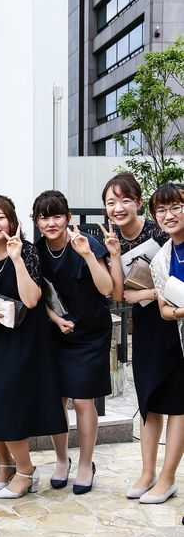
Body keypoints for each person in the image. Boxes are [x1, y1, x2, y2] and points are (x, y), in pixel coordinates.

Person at [0, 195, 67, 498]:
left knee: (6, 401)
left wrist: (16, 259)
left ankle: (26, 471)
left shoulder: (28, 251)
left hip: (26, 338)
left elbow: (32, 299)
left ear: (12, 220)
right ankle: (6, 464)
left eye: (0, 217)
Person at [100, 174, 184, 502]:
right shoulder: (114, 239)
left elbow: (163, 285)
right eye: (111, 202)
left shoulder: (160, 232)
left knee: (177, 403)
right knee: (148, 401)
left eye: (125, 200)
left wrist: (146, 293)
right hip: (149, 326)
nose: (118, 208)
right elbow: (118, 295)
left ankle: (167, 477)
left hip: (174, 326)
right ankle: (147, 473)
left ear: (137, 203)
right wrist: (112, 254)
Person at [33, 190, 113, 494]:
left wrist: (88, 255)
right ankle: (61, 459)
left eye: (57, 216)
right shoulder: (36, 252)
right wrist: (55, 319)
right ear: (37, 222)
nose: (51, 223)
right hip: (57, 333)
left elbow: (106, 289)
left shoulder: (85, 242)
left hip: (91, 333)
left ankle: (85, 464)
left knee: (82, 399)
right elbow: (37, 297)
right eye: (44, 217)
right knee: (57, 398)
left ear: (67, 217)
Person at [146, 183, 184, 504]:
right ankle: (166, 478)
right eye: (161, 210)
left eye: (176, 207)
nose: (168, 215)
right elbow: (164, 311)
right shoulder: (160, 259)